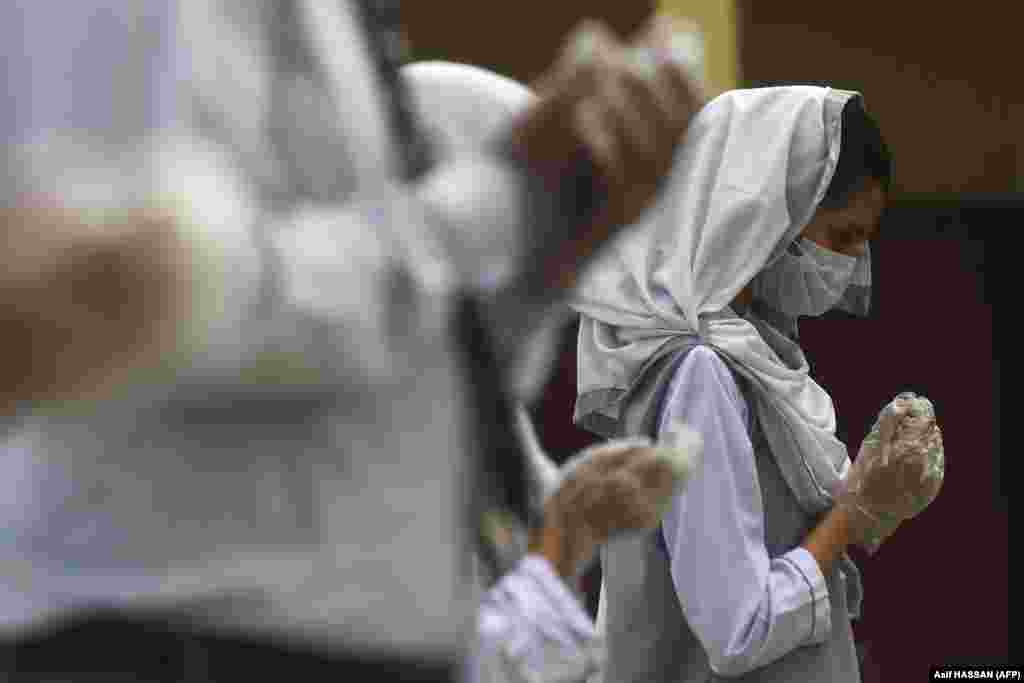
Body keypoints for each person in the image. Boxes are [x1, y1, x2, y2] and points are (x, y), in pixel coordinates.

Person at [1, 1, 702, 681]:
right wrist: (492, 210)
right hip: (175, 647)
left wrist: (544, 243)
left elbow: (347, 382)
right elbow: (86, 291)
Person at [572, 86, 944, 681]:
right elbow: (738, 629)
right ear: (766, 221)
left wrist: (882, 488)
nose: (854, 265)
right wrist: (855, 513)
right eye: (843, 237)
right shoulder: (700, 372)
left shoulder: (753, 357)